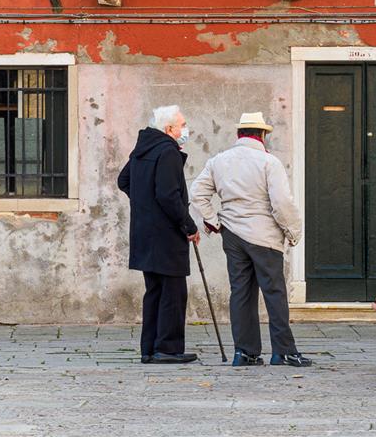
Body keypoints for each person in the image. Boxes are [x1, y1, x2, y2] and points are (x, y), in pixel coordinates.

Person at [190, 112, 312, 368]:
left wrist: (214, 221)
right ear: (263, 135)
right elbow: (281, 203)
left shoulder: (218, 161)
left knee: (241, 293)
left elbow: (197, 193)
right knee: (274, 293)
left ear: (239, 134)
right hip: (264, 235)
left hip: (233, 235)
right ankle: (283, 351)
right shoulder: (269, 162)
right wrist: (293, 231)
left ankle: (245, 352)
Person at [118, 104, 200, 365]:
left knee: (154, 290)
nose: (185, 129)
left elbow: (124, 181)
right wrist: (190, 226)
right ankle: (167, 348)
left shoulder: (143, 150)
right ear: (169, 129)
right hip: (166, 235)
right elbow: (168, 195)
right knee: (173, 292)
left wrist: (144, 204)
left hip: (145, 233)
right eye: (182, 124)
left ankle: (149, 348)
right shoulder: (168, 152)